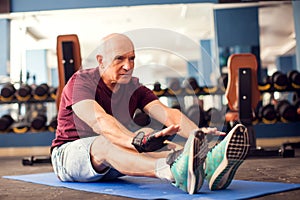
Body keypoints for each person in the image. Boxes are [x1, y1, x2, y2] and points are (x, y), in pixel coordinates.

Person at [51, 33, 250, 194]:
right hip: (68, 157)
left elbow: (167, 114)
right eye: (119, 59)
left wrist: (200, 136)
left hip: (113, 163)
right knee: (109, 141)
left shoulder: (133, 87)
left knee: (150, 134)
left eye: (132, 58)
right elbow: (100, 122)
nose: (128, 66)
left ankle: (209, 165)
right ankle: (173, 173)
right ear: (101, 61)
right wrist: (136, 142)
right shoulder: (81, 82)